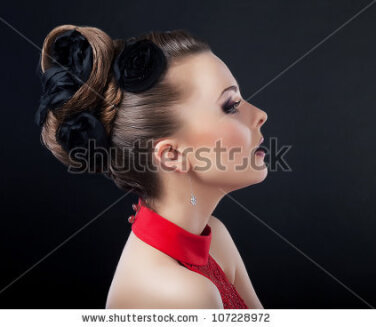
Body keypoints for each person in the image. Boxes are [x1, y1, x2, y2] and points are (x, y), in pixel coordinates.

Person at [35, 24, 267, 309]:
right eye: (230, 105)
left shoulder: (213, 237)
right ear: (171, 155)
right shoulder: (183, 293)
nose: (260, 115)